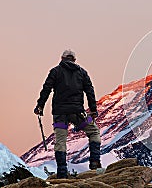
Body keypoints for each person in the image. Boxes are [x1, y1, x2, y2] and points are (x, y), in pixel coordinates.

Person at [34, 50, 102, 179]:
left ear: (62, 58)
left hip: (60, 113)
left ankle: (62, 173)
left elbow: (46, 88)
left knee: (60, 141)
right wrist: (93, 109)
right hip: (77, 113)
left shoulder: (55, 71)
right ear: (74, 60)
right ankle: (94, 163)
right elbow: (90, 91)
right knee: (94, 132)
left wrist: (40, 106)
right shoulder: (82, 72)